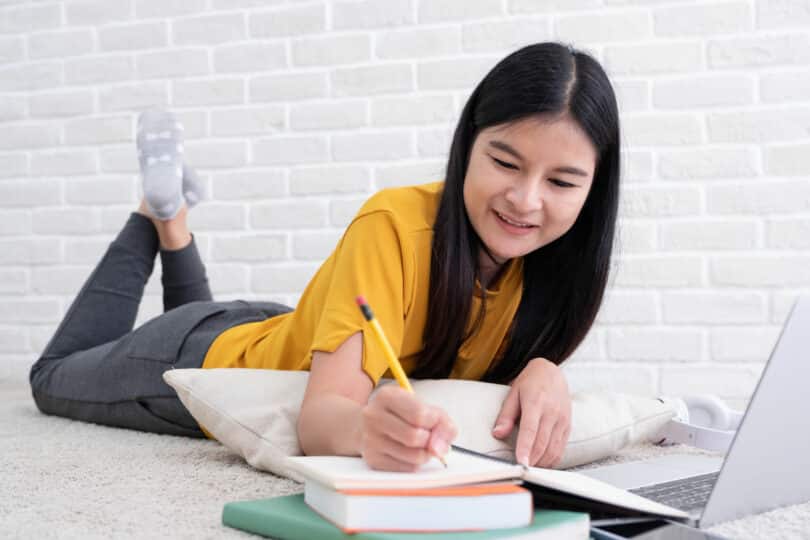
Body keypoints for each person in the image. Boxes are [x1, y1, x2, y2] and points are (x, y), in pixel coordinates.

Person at [29, 41, 620, 472]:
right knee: (51, 377)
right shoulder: (394, 224)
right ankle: (150, 213)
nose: (526, 200)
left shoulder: (548, 271)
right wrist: (370, 429)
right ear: (467, 146)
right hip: (199, 357)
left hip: (272, 328)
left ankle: (174, 220)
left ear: (593, 192)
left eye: (563, 182)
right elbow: (319, 420)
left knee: (201, 313)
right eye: (506, 163)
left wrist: (543, 369)